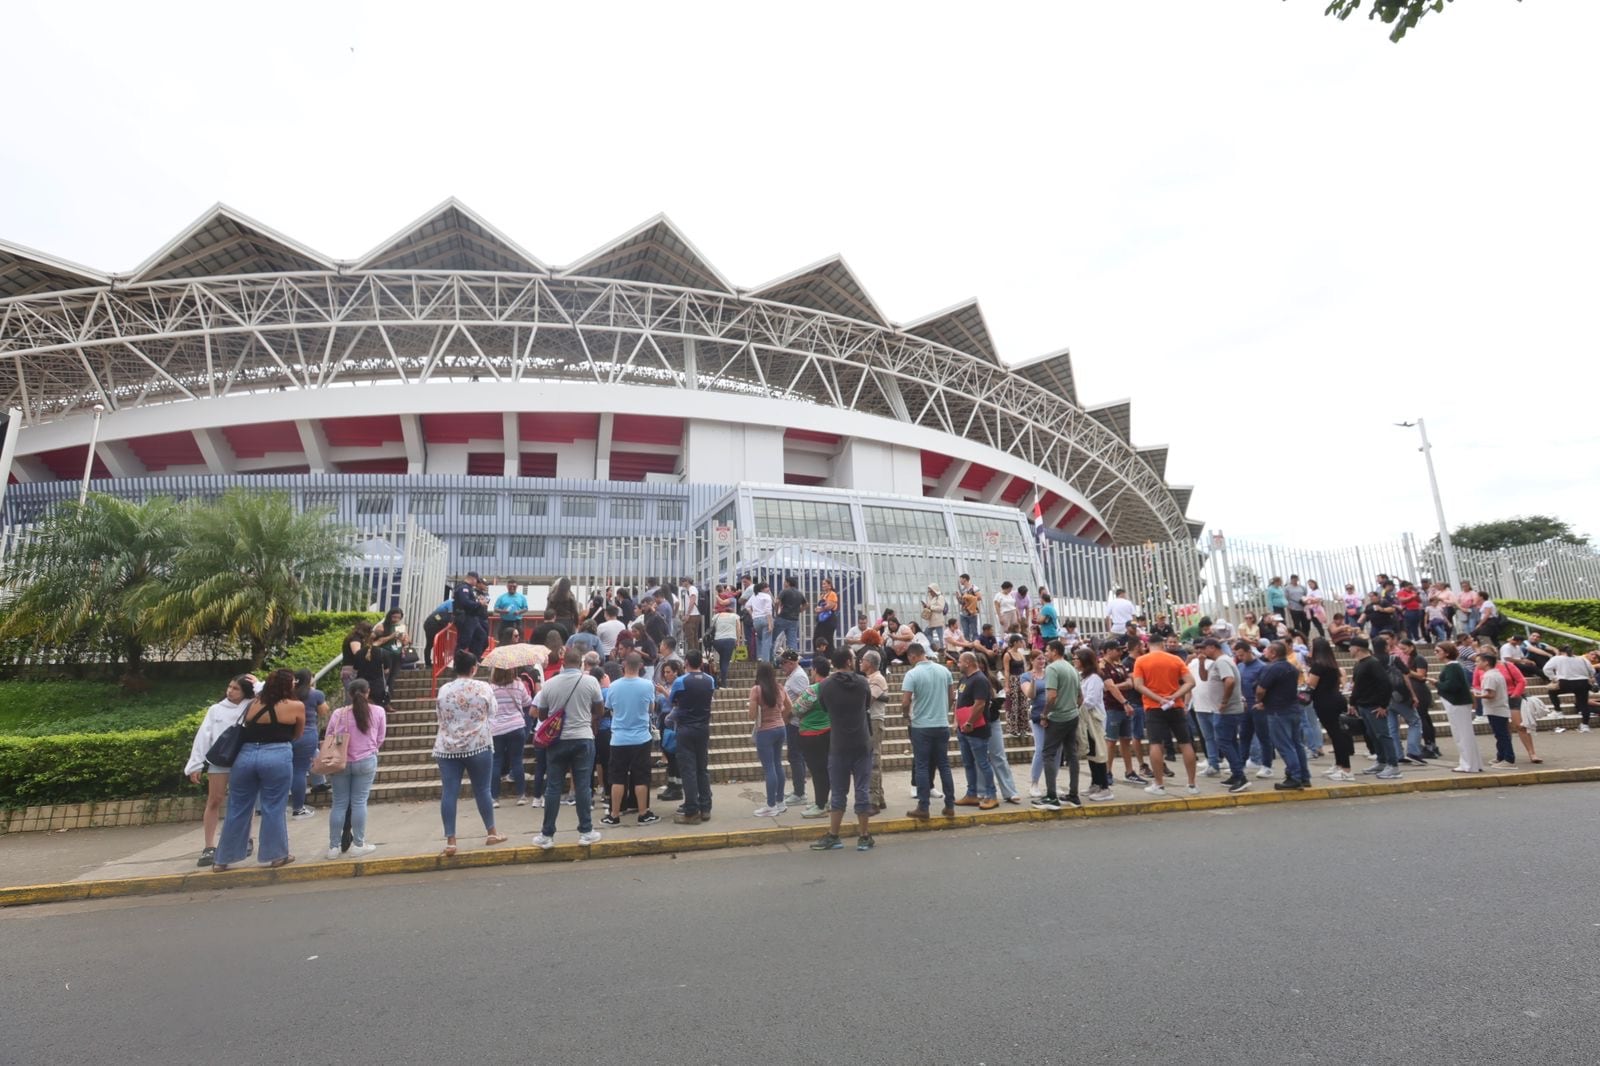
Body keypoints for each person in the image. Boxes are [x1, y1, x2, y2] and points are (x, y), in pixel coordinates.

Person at [212, 669, 304, 872]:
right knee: (273, 806)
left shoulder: (254, 703)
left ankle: (222, 859)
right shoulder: (296, 706)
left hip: (245, 756)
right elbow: (297, 734)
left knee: (237, 807)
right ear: (288, 685)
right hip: (277, 755)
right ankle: (276, 855)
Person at [432, 649, 507, 856]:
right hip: (478, 744)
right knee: (483, 789)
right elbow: (493, 711)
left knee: (449, 792)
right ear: (474, 668)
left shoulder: (444, 689)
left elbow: (439, 714)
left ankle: (451, 841)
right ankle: (491, 832)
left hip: (447, 747)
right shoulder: (482, 687)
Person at [532, 646, 606, 846]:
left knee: (553, 787)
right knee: (583, 786)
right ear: (581, 664)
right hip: (583, 737)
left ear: (563, 663)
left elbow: (541, 715)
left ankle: (547, 835)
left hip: (557, 741)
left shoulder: (550, 684)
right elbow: (599, 710)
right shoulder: (590, 681)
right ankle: (586, 831)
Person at [809, 647, 876, 852]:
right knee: (862, 790)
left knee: (838, 791)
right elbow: (867, 704)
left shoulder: (826, 686)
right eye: (854, 658)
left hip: (838, 744)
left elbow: (824, 707)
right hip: (862, 742)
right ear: (848, 661)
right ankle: (864, 836)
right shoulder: (863, 682)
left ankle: (834, 835)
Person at [186, 674, 256, 867]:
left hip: (242, 757)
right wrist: (196, 764)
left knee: (243, 799)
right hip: (220, 758)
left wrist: (257, 683)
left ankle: (246, 837)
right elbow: (203, 736)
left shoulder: (252, 704)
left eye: (236, 688)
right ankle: (209, 845)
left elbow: (271, 693)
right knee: (214, 799)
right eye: (229, 687)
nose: (230, 691)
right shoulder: (216, 709)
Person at [322, 678, 386, 859]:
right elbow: (380, 738)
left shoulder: (338, 713)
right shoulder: (378, 711)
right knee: (359, 802)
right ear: (368, 692)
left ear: (349, 694)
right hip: (366, 760)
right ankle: (358, 844)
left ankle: (333, 847)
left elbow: (329, 737)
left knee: (339, 803)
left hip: (340, 762)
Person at [1130, 636, 1197, 796]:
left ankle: (1159, 784)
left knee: (1155, 744)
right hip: (1175, 706)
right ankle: (1192, 784)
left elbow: (1138, 685)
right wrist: (1174, 696)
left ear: (1147, 645)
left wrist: (1158, 698)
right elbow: (1190, 682)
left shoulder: (1141, 661)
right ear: (1163, 645)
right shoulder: (1175, 659)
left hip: (1154, 707)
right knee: (1185, 743)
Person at [601, 652, 661, 826]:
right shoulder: (647, 685)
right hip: (641, 737)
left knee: (617, 778)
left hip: (618, 738)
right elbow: (651, 708)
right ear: (641, 666)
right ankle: (643, 813)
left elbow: (609, 708)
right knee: (641, 777)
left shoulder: (614, 686)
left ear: (623, 666)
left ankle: (614, 815)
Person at [901, 642, 957, 820]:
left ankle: (923, 807)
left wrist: (906, 715)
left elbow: (905, 702)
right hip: (941, 725)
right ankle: (950, 805)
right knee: (944, 765)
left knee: (922, 766)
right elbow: (952, 696)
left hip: (921, 726)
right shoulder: (944, 671)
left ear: (912, 656)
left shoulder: (912, 674)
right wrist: (944, 711)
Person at [1031, 640, 1082, 810]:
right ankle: (1074, 795)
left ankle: (1051, 796)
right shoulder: (1071, 668)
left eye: (1047, 650)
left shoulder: (1052, 669)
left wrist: (1045, 714)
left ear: (1054, 651)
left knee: (1048, 754)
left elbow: (1051, 696)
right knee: (1072, 755)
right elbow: (1080, 697)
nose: (1045, 654)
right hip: (1072, 715)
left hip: (1058, 717)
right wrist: (1071, 708)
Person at [668, 650, 717, 824]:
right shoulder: (710, 680)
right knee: (702, 768)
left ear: (686, 662)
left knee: (688, 770)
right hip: (703, 727)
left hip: (686, 728)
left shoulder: (680, 681)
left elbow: (672, 700)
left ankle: (692, 810)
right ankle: (706, 808)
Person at [1257, 642, 1309, 791]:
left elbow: (1261, 689)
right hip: (1292, 708)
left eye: (1268, 650)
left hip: (1277, 711)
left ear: (1273, 653)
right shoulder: (1291, 668)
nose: (1265, 652)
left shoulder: (1272, 668)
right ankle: (1304, 776)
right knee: (1296, 743)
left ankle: (1294, 776)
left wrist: (1260, 701)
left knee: (1285, 745)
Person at [952, 651, 1000, 810]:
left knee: (982, 763)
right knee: (968, 763)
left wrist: (970, 722)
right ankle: (971, 794)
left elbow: (980, 704)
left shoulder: (980, 680)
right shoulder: (964, 679)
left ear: (967, 663)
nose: (958, 665)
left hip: (976, 728)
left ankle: (991, 795)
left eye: (960, 662)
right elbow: (958, 701)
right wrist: (956, 721)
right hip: (963, 728)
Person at [1349, 637, 1401, 780]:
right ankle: (1382, 761)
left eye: (1351, 647)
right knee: (1373, 735)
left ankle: (1393, 765)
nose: (1349, 649)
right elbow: (1357, 686)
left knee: (1383, 735)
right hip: (1364, 705)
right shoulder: (1359, 664)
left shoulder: (1373, 663)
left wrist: (1383, 705)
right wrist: (1352, 702)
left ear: (1357, 648)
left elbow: (1386, 685)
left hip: (1374, 706)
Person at [747, 660, 792, 818]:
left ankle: (770, 805)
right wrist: (782, 719)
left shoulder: (756, 690)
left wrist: (753, 708)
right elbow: (789, 706)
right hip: (781, 729)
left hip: (765, 731)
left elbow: (752, 715)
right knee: (778, 764)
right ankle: (780, 802)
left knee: (769, 768)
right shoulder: (779, 687)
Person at [1305, 638, 1353, 781]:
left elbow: (1311, 684)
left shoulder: (1318, 665)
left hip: (1325, 702)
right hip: (1335, 699)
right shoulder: (1331, 664)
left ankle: (1345, 768)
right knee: (1336, 734)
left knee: (1336, 734)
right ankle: (1339, 764)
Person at [791, 656, 833, 818]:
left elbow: (796, 710)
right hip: (828, 731)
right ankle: (824, 801)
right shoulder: (832, 687)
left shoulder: (813, 689)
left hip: (811, 734)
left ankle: (820, 805)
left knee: (817, 771)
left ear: (815, 670)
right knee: (825, 770)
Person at [488, 666, 533, 807]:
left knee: (496, 762)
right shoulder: (519, 685)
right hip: (516, 727)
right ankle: (521, 796)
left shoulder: (491, 688)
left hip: (497, 729)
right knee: (517, 761)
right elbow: (528, 702)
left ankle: (494, 798)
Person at [1433, 642, 1481, 773]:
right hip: (1459, 703)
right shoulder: (1454, 667)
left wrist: (1437, 683)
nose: (1435, 653)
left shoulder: (1452, 667)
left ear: (1447, 653)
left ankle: (1468, 764)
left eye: (1438, 651)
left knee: (1462, 734)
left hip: (1456, 703)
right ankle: (1473, 763)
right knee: (1465, 733)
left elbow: (1452, 686)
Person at [288, 668, 323, 821]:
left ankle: (281, 806)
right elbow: (324, 711)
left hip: (287, 735)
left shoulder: (288, 693)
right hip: (307, 734)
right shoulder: (315, 694)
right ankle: (298, 808)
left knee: (287, 770)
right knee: (300, 771)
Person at [778, 649, 811, 806]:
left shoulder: (798, 677)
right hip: (792, 721)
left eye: (783, 664)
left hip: (795, 723)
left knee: (795, 756)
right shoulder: (794, 674)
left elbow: (803, 699)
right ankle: (798, 789)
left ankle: (800, 793)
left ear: (790, 663)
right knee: (796, 756)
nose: (781, 667)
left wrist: (791, 715)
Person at [1474, 651, 1516, 768]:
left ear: (1486, 662)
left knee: (1502, 735)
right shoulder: (1495, 674)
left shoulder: (1489, 676)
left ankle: (1508, 759)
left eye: (1478, 661)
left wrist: (1476, 695)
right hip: (1499, 708)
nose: (1476, 664)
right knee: (1500, 734)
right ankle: (1501, 756)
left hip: (1496, 709)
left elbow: (1490, 694)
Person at [861, 650, 891, 813]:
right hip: (870, 721)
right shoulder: (870, 679)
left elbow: (867, 700)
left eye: (863, 660)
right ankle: (879, 797)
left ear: (870, 664)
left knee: (873, 760)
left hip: (874, 721)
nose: (860, 662)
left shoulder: (877, 679)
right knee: (872, 759)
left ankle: (873, 800)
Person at [1544, 645, 1596, 729]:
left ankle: (1558, 711)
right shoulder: (1582, 659)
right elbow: (1592, 671)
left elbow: (1546, 669)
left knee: (1552, 692)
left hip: (1565, 682)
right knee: (1583, 703)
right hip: (1583, 682)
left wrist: (1554, 678)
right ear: (1572, 651)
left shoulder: (1557, 658)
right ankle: (1585, 725)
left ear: (1560, 652)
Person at [342, 620, 388, 706]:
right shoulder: (355, 639)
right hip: (350, 669)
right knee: (351, 696)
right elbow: (358, 653)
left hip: (353, 669)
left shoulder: (356, 638)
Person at [370, 608, 408, 693]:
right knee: (385, 676)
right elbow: (374, 640)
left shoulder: (402, 627)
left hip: (397, 653)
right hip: (385, 653)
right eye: (394, 617)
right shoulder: (382, 626)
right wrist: (391, 636)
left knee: (392, 677)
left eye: (398, 617)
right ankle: (381, 696)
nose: (396, 620)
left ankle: (388, 698)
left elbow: (405, 642)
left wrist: (404, 639)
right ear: (389, 616)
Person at [453, 571, 489, 657]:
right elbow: (465, 602)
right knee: (464, 642)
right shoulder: (463, 588)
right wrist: (479, 603)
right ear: (473, 579)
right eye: (476, 580)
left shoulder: (469, 588)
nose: (477, 583)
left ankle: (473, 660)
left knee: (481, 637)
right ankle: (458, 664)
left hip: (472, 618)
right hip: (465, 617)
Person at [773, 576, 806, 660]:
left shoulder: (785, 591)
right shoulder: (799, 593)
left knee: (773, 637)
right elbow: (806, 604)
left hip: (783, 617)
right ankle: (793, 660)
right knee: (792, 641)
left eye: (785, 582)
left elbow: (777, 602)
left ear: (788, 583)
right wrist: (799, 611)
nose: (784, 584)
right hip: (794, 620)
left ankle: (770, 657)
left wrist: (777, 612)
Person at [710, 601, 740, 686]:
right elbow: (738, 629)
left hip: (717, 641)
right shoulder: (735, 616)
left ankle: (720, 678)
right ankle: (723, 682)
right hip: (729, 640)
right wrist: (737, 641)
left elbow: (713, 628)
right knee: (725, 661)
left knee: (722, 659)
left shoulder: (716, 616)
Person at [748, 580, 775, 662]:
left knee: (759, 638)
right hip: (765, 619)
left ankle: (759, 656)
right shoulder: (767, 596)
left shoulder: (754, 596)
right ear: (762, 589)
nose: (768, 589)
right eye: (767, 587)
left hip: (756, 621)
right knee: (766, 641)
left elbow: (747, 606)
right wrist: (770, 624)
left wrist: (753, 615)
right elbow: (768, 611)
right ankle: (765, 661)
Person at [814, 577, 840, 655]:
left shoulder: (832, 594)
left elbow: (830, 606)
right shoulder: (823, 595)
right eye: (822, 584)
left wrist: (820, 609)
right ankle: (819, 654)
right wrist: (817, 609)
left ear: (830, 585)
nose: (823, 585)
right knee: (817, 637)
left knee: (827, 639)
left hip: (829, 620)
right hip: (822, 620)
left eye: (825, 584)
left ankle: (830, 656)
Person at [678, 576, 702, 652]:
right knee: (693, 637)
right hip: (694, 615)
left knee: (690, 637)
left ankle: (692, 655)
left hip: (692, 615)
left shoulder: (692, 589)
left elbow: (692, 600)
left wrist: (687, 614)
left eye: (682, 581)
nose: (681, 583)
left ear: (687, 581)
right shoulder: (690, 589)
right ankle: (696, 654)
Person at [921, 584, 947, 652]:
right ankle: (935, 646)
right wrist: (926, 606)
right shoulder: (931, 598)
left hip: (938, 620)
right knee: (926, 633)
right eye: (929, 591)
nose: (930, 593)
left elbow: (941, 608)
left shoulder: (940, 597)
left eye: (931, 591)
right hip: (932, 620)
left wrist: (931, 607)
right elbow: (930, 606)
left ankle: (943, 650)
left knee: (940, 636)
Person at [957, 575, 982, 641]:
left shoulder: (974, 587)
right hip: (963, 612)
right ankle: (968, 646)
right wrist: (959, 598)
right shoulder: (962, 589)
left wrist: (969, 596)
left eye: (961, 579)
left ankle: (975, 645)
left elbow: (979, 597)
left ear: (965, 579)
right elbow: (962, 602)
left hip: (972, 612)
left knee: (974, 631)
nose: (960, 581)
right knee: (965, 631)